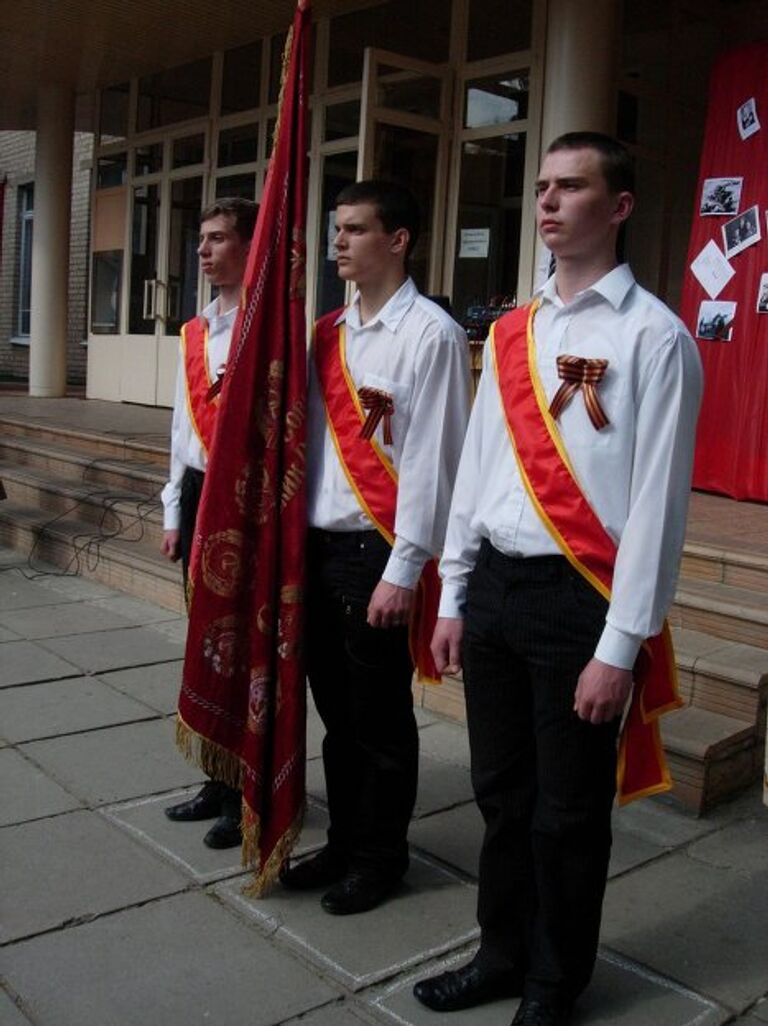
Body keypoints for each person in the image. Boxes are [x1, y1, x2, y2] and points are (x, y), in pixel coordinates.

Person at [412, 133, 703, 1026]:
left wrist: (621, 649)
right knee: (502, 797)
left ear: (617, 208)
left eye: (570, 187)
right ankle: (501, 954)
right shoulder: (509, 331)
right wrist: (457, 592)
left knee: (568, 815)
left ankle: (554, 983)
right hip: (496, 586)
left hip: (582, 601)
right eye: (541, 187)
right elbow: (479, 476)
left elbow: (657, 509)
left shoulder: (657, 338)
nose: (546, 202)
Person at [278, 179, 472, 914]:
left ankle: (381, 857)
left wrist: (405, 569)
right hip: (318, 548)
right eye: (337, 231)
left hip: (376, 555)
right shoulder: (326, 333)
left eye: (355, 230)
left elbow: (432, 462)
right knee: (333, 710)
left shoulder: (432, 334)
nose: (339, 244)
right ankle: (344, 840)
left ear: (399, 240)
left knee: (379, 717)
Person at [161, 196, 258, 849]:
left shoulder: (267, 327)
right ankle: (215, 778)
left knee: (244, 648)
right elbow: (179, 429)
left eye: (219, 238)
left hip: (246, 500)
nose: (204, 250)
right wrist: (173, 507)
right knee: (206, 643)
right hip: (200, 494)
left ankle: (248, 790)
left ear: (249, 246)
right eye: (202, 238)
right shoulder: (196, 332)